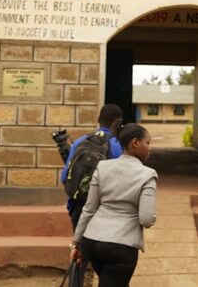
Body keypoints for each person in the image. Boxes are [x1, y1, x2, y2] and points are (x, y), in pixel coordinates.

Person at [71, 123, 158, 287]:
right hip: (121, 246)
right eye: (148, 143)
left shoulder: (103, 167)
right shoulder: (147, 175)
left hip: (93, 241)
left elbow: (89, 209)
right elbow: (147, 219)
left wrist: (76, 242)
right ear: (135, 143)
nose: (149, 148)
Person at [61, 103, 124, 230]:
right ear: (118, 122)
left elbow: (64, 177)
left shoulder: (80, 142)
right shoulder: (118, 145)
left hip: (79, 208)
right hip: (105, 209)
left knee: (81, 247)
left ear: (98, 120)